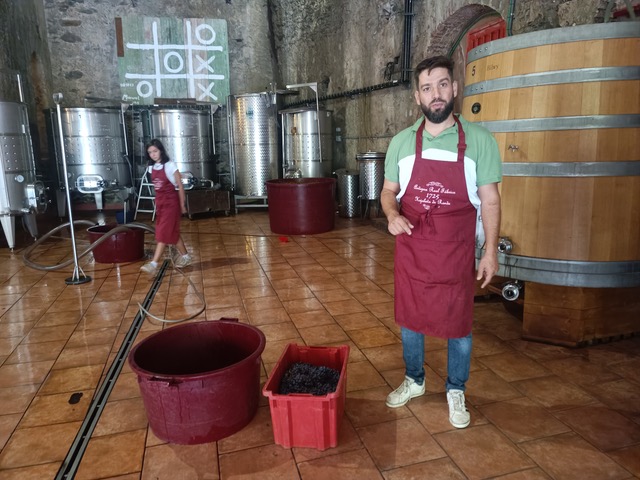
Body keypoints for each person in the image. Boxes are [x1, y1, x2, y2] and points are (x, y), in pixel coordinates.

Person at [380, 55, 502, 429]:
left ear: (455, 88)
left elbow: (491, 200)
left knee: (459, 326)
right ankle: (415, 379)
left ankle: (455, 388)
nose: (436, 94)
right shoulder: (401, 143)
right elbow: (388, 191)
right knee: (410, 320)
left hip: (454, 252)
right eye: (428, 87)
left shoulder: (479, 141)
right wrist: (392, 215)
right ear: (417, 96)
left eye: (443, 84)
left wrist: (491, 250)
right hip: (413, 251)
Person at [140, 139, 192, 275]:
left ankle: (154, 263)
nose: (153, 154)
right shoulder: (151, 168)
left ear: (161, 150)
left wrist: (182, 205)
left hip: (171, 203)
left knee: (163, 233)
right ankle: (186, 257)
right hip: (161, 204)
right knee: (172, 232)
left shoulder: (170, 166)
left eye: (155, 151)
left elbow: (180, 186)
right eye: (150, 152)